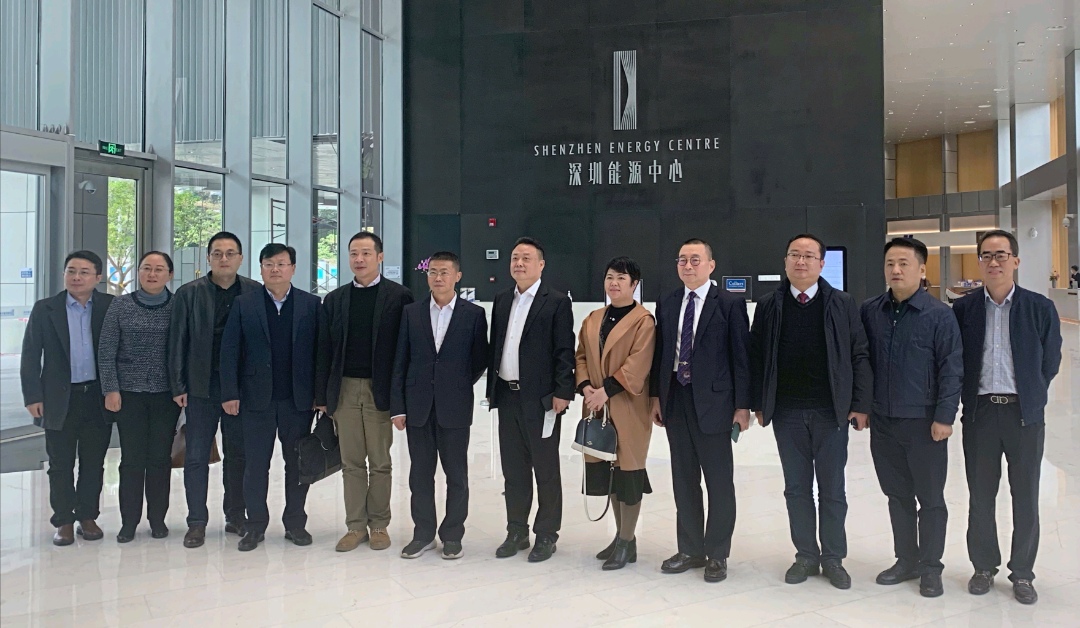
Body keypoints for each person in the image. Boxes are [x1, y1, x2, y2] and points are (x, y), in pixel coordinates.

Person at [750, 234, 872, 589]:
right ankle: (805, 555)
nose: (800, 262)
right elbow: (756, 357)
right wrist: (758, 402)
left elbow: (859, 353)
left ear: (821, 263)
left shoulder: (842, 303)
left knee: (832, 489)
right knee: (796, 489)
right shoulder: (769, 305)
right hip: (787, 413)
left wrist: (860, 405)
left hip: (830, 413)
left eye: (808, 256)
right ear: (785, 261)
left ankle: (833, 558)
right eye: (794, 255)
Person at [953, 230, 1062, 605]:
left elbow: (1051, 360)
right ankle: (983, 567)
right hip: (981, 414)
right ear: (979, 262)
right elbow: (955, 361)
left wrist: (1031, 392)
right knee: (981, 497)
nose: (993, 262)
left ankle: (1023, 573)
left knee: (1026, 496)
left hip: (1023, 416)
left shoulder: (1039, 307)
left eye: (1001, 255)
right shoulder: (964, 309)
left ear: (1015, 260)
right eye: (986, 255)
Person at [861, 237, 962, 598]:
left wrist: (945, 416)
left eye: (904, 263)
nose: (896, 270)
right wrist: (862, 406)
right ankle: (906, 560)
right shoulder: (870, 311)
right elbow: (862, 364)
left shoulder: (939, 315)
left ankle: (931, 568)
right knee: (897, 496)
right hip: (883, 422)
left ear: (921, 269)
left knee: (930, 499)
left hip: (924, 424)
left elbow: (952, 369)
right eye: (890, 263)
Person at [650, 238, 751, 583]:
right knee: (684, 480)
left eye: (695, 260)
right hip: (676, 401)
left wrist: (742, 406)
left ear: (711, 265)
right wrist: (656, 397)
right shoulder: (667, 302)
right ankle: (690, 549)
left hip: (716, 405)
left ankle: (717, 553)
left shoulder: (730, 304)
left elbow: (742, 357)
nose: (688, 266)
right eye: (682, 260)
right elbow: (661, 354)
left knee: (719, 482)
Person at [315, 232, 414, 552]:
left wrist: (401, 399)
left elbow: (406, 351)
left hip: (379, 390)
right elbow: (324, 350)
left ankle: (379, 525)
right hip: (344, 389)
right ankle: (355, 526)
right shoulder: (335, 300)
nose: (359, 259)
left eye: (366, 253)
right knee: (351, 462)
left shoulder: (400, 297)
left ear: (380, 257)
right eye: (354, 253)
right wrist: (322, 397)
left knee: (380, 462)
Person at [220, 243, 321, 551]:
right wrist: (230, 392)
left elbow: (321, 353)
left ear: (293, 268)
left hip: (298, 401)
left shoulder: (311, 304)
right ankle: (255, 526)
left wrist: (320, 395)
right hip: (255, 400)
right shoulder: (244, 304)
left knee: (297, 465)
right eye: (268, 264)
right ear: (261, 268)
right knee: (255, 465)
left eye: (281, 264)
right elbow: (229, 351)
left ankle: (295, 524)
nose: (275, 269)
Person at [390, 251, 488, 560]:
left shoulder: (473, 314)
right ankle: (423, 534)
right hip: (417, 407)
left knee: (456, 475)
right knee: (420, 475)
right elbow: (400, 361)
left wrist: (455, 384)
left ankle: (453, 535)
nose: (438, 277)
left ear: (457, 276)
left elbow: (479, 360)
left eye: (445, 272)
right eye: (433, 272)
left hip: (454, 407)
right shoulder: (411, 313)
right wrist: (398, 407)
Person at [168, 231, 261, 548]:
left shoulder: (254, 291)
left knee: (238, 455)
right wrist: (178, 385)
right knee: (195, 456)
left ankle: (236, 515)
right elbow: (177, 343)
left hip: (240, 388)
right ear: (208, 258)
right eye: (217, 253)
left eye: (230, 253)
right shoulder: (189, 294)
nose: (224, 259)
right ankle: (196, 522)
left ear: (240, 259)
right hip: (200, 387)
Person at [487, 236, 575, 562]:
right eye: (515, 258)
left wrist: (563, 392)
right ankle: (517, 531)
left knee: (546, 469)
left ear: (541, 264)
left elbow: (564, 350)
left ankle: (547, 534)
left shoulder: (556, 302)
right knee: (514, 470)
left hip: (541, 401)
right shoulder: (501, 299)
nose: (519, 263)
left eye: (526, 258)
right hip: (507, 396)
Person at [20, 251, 115, 546]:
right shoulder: (45, 309)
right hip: (58, 399)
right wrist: (32, 395)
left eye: (84, 272)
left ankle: (87, 516)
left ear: (98, 277)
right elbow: (30, 354)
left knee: (93, 462)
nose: (76, 277)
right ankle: (63, 520)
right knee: (60, 463)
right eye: (71, 271)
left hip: (96, 397)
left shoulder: (110, 307)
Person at [574, 256, 656, 571]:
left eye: (622, 278)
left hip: (628, 407)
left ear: (634, 284)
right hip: (596, 406)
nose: (614, 283)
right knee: (609, 471)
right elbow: (581, 356)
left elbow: (638, 364)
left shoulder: (643, 321)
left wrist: (605, 391)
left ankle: (626, 539)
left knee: (629, 473)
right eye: (610, 277)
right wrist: (586, 388)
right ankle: (623, 540)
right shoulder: (593, 318)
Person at [97, 251, 181, 543]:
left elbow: (185, 349)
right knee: (131, 460)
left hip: (166, 396)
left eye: (159, 269)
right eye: (146, 268)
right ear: (139, 272)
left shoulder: (178, 306)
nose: (152, 274)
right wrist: (110, 389)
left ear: (169, 274)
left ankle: (157, 519)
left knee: (159, 459)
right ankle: (128, 522)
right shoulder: (120, 305)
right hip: (128, 395)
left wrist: (183, 389)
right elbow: (106, 350)